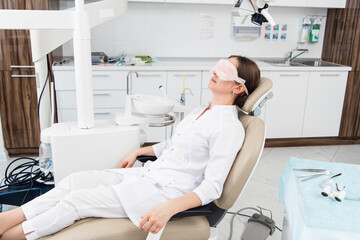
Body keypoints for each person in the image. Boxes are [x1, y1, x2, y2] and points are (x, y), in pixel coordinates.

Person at [0, 55, 260, 240]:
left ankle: (14, 236)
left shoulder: (228, 128)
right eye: (219, 65)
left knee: (75, 203)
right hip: (150, 175)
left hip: (166, 192)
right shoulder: (202, 110)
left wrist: (169, 208)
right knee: (74, 181)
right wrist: (140, 151)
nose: (215, 71)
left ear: (239, 87)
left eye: (225, 71)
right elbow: (174, 145)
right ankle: (8, 220)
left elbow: (213, 187)